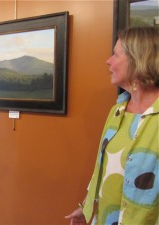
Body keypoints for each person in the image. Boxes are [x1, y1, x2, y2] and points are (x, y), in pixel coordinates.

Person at [65, 26, 159, 225]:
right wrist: (87, 208)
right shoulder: (117, 110)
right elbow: (105, 171)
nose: (108, 61)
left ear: (137, 59)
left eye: (115, 55)